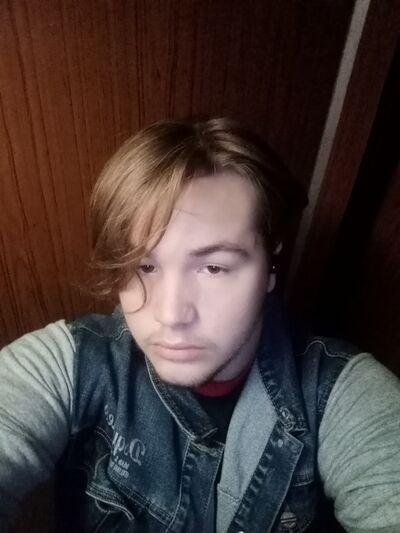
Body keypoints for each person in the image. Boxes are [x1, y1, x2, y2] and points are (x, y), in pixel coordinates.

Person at [0, 118, 399, 533]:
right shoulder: (71, 364)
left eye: (214, 267)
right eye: (143, 266)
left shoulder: (340, 395)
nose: (171, 314)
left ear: (270, 263)